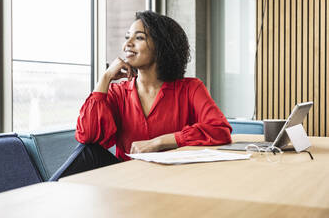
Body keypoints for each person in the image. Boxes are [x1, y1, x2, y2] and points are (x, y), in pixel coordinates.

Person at [55, 11, 232, 178]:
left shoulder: (190, 88)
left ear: (161, 46)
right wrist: (105, 78)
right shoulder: (118, 93)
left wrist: (160, 142)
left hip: (175, 178)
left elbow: (220, 130)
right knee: (88, 152)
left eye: (139, 37)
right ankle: (43, 197)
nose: (127, 44)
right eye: (127, 38)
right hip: (128, 178)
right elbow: (87, 136)